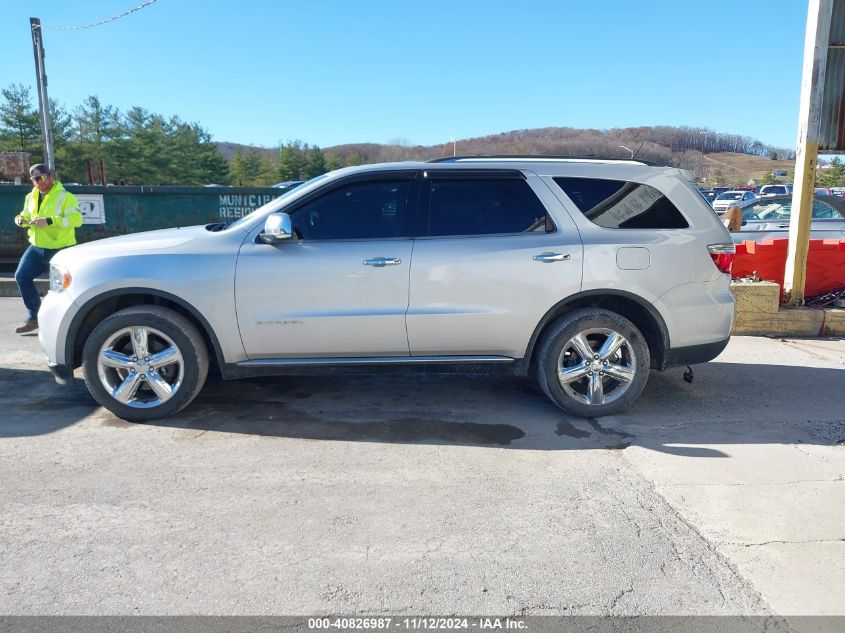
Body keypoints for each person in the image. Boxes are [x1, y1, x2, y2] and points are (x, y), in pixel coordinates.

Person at [12, 164, 82, 334]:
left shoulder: (66, 197)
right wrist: (19, 220)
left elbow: (76, 219)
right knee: (21, 277)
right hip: (37, 247)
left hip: (61, 249)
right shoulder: (31, 196)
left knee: (66, 288)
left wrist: (50, 221)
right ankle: (34, 317)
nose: (38, 182)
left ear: (52, 177)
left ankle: (72, 323)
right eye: (34, 179)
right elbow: (24, 215)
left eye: (41, 178)